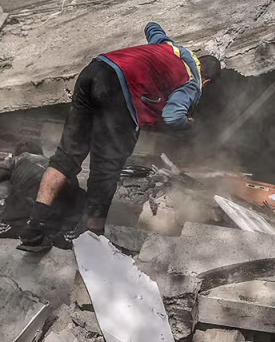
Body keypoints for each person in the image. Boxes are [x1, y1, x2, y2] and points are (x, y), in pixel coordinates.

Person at [21, 22, 220, 252]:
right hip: (120, 94)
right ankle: (94, 240)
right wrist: (188, 123)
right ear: (207, 81)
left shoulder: (171, 48)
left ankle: (33, 228)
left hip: (94, 70)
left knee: (66, 157)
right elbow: (172, 116)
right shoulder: (193, 83)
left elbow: (152, 28)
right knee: (105, 172)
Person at [0, 143, 83, 245]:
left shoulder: (18, 160)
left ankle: (3, 226)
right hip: (59, 236)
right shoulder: (61, 169)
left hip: (14, 230)